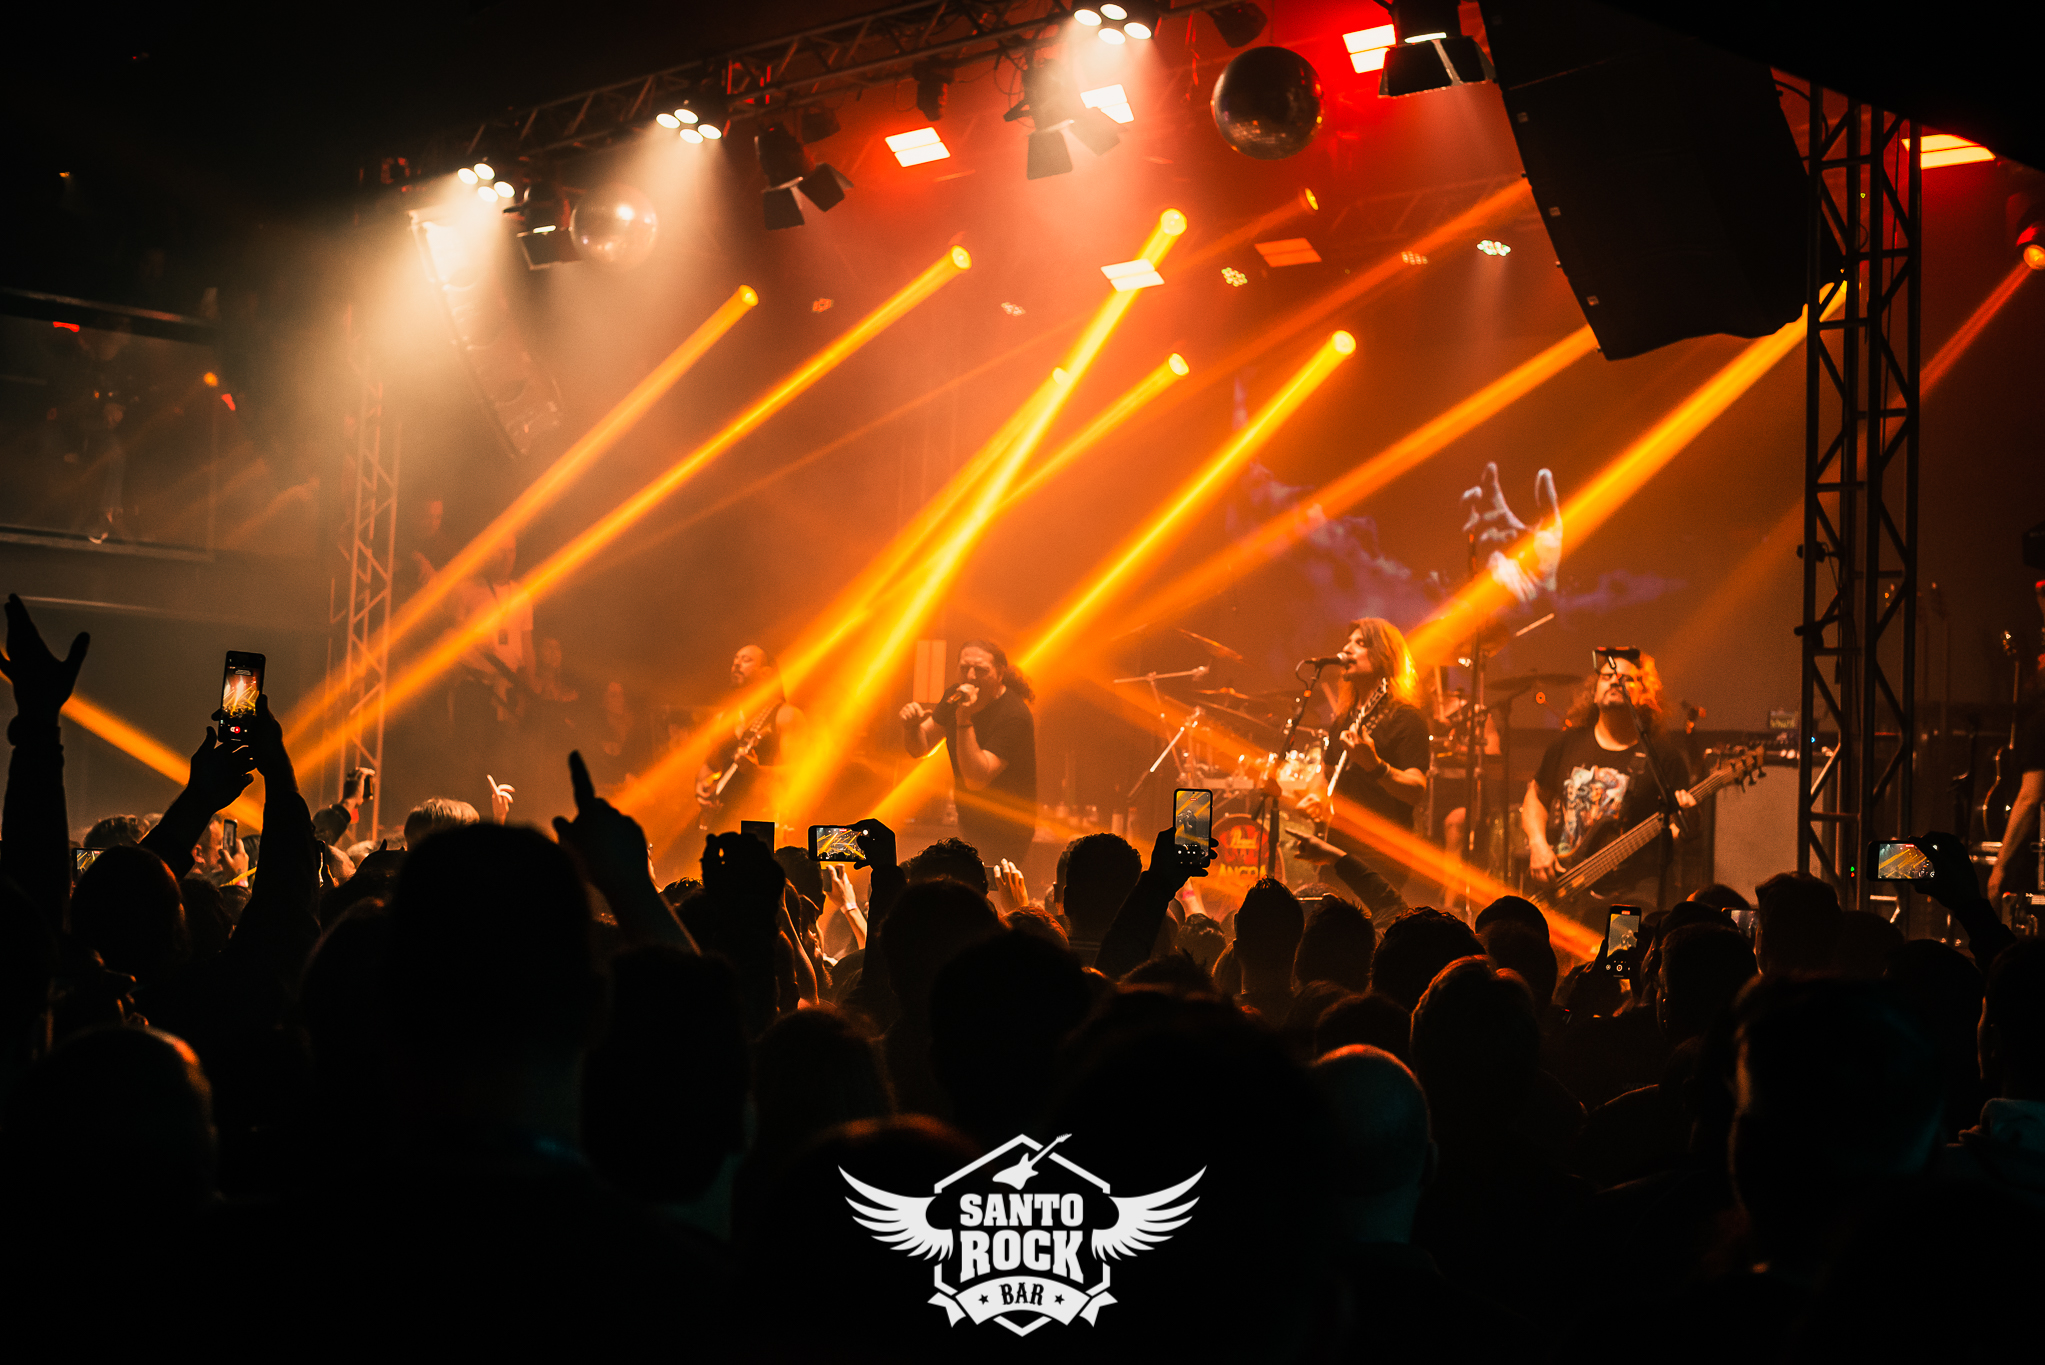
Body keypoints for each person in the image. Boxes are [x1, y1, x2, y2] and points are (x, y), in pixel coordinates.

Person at [1522, 647, 1695, 912]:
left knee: (1621, 942)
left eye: (1626, 679)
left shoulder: (1663, 758)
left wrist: (1684, 826)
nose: (1614, 681)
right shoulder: (1566, 745)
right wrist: (1537, 845)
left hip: (1632, 898)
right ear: (1594, 692)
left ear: (1645, 694)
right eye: (1606, 677)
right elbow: (1536, 797)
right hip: (1567, 889)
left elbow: (1673, 835)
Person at [1298, 618, 1432, 916]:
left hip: (1382, 854)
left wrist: (1375, 765)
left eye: (1360, 643)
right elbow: (1326, 773)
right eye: (1348, 641)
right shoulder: (1343, 719)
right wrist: (1316, 797)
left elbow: (1416, 789)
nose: (1347, 649)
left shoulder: (1406, 718)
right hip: (1337, 848)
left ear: (1384, 656)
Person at [896, 639, 1038, 869]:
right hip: (970, 823)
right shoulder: (954, 697)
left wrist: (964, 718)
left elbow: (975, 779)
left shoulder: (1014, 715)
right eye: (964, 668)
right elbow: (920, 747)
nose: (970, 676)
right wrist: (911, 727)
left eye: (980, 670)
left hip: (1007, 831)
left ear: (1000, 673)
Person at [444, 535, 533, 781]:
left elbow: (527, 648)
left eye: (512, 551)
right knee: (469, 764)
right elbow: (451, 640)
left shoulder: (522, 595)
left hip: (508, 690)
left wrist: (527, 693)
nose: (507, 558)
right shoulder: (466, 590)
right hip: (474, 688)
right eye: (501, 551)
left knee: (504, 765)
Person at [695, 644, 805, 833]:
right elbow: (709, 766)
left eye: (746, 660)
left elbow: (802, 773)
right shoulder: (722, 720)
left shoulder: (786, 716)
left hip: (766, 823)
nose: (736, 664)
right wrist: (701, 787)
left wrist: (758, 772)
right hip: (723, 824)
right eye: (735, 659)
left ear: (766, 673)